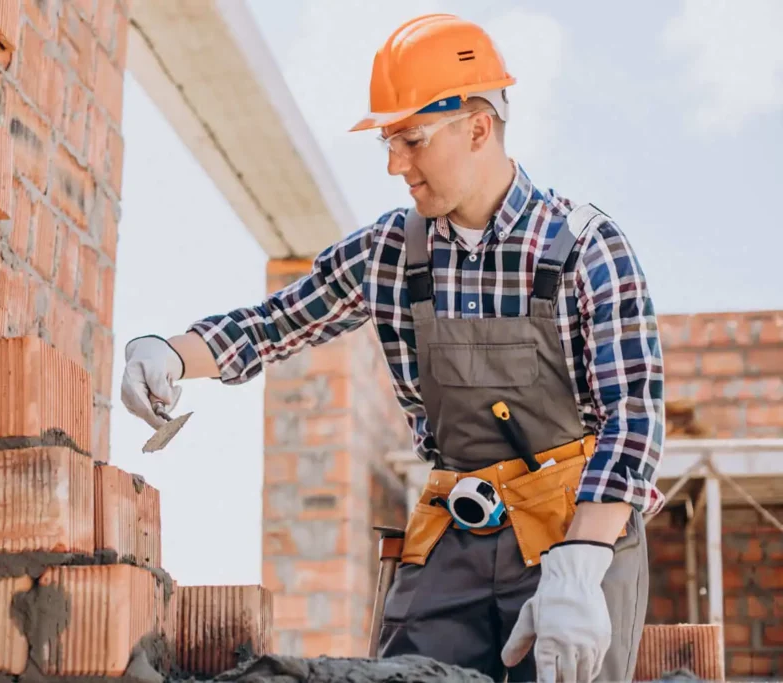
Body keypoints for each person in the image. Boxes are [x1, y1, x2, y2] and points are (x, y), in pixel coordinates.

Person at [120, 13, 664, 683]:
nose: (393, 164)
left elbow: (634, 417)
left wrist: (581, 560)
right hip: (456, 529)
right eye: (387, 140)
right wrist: (168, 352)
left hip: (574, 527)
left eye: (411, 139)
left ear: (476, 126)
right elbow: (273, 322)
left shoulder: (583, 245)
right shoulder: (391, 252)